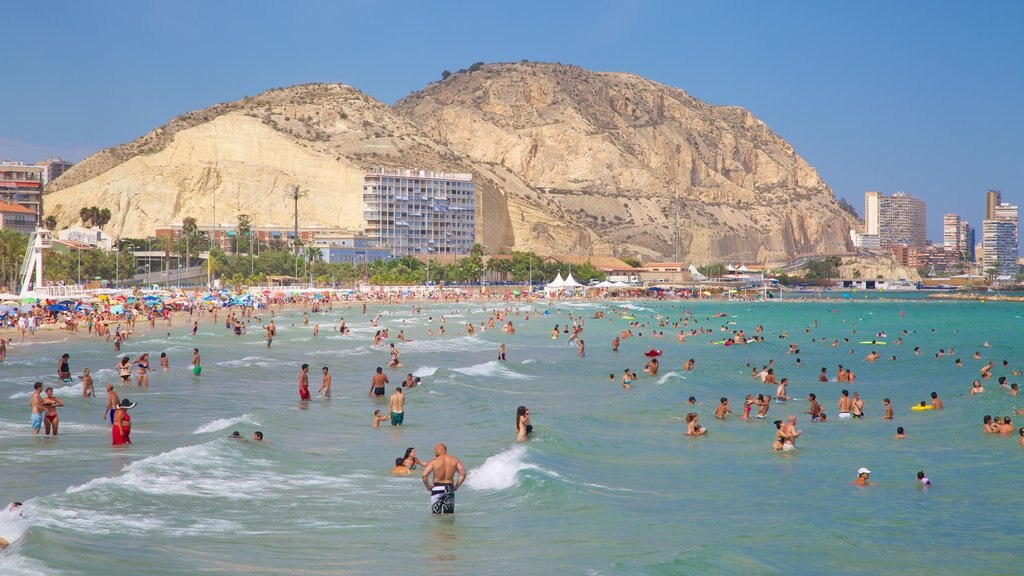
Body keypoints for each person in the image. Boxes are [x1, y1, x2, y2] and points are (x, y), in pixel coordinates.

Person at [421, 443, 466, 515]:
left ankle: (437, 526)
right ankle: (448, 526)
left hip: (437, 488)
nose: (434, 451)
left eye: (436, 449)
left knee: (435, 514)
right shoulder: (455, 460)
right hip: (449, 488)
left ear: (443, 450)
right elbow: (463, 474)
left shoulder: (433, 461)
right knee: (449, 514)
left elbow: (424, 475)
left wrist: (428, 486)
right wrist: (457, 486)